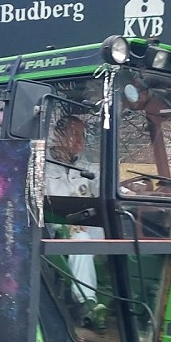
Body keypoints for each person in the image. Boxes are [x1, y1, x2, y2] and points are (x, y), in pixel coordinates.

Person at [44, 115, 106, 329]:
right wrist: (65, 224)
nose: (80, 140)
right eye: (74, 134)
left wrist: (131, 191)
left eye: (83, 135)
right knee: (81, 238)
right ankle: (87, 304)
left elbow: (108, 187)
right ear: (59, 136)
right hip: (54, 234)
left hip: (91, 230)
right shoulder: (42, 167)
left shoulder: (87, 168)